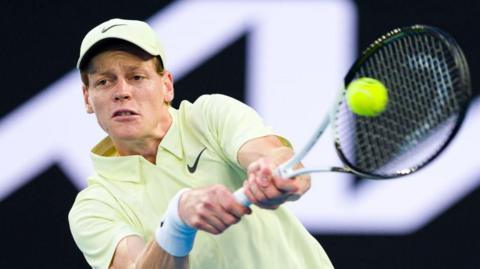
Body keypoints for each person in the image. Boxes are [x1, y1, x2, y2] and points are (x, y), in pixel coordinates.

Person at [68, 18, 333, 269]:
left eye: (137, 77)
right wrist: (177, 221)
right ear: (87, 98)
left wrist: (275, 174)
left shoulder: (210, 115)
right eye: (104, 81)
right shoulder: (94, 206)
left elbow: (274, 155)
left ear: (167, 86)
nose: (122, 92)